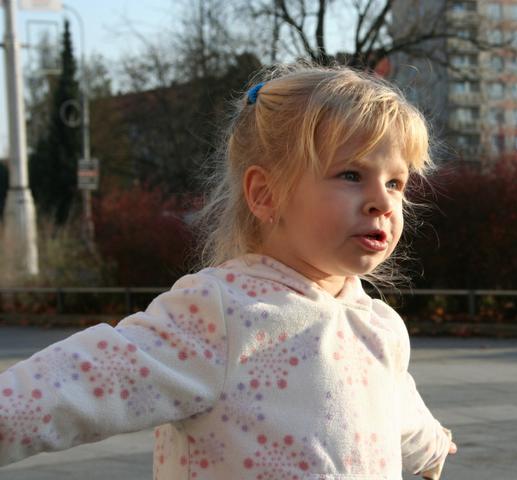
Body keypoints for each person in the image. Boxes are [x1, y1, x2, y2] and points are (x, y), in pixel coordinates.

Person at [0, 63, 457, 479]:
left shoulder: (379, 326)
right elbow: (78, 382)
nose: (382, 201)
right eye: (351, 175)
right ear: (266, 194)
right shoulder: (225, 314)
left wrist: (432, 446)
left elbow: (397, 406)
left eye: (395, 182)